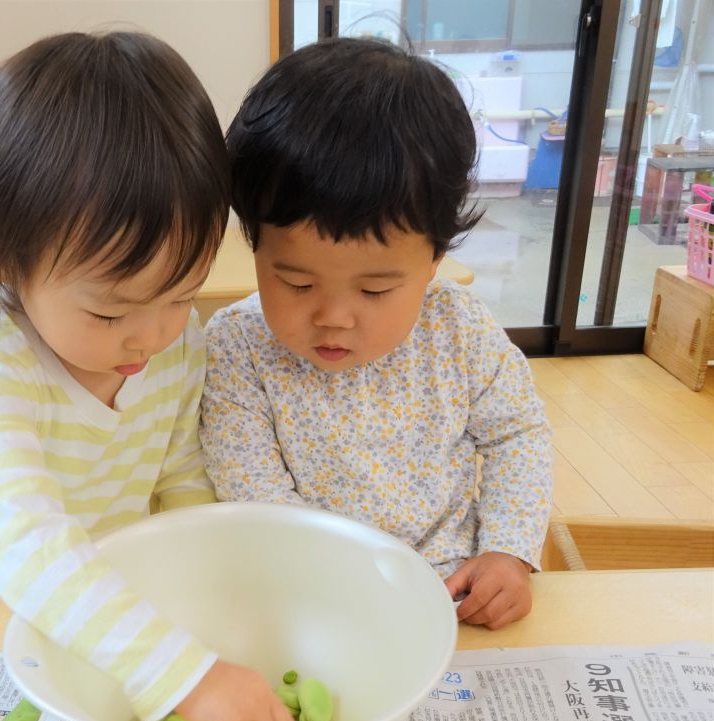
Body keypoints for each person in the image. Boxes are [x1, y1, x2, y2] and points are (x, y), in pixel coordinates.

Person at [0, 32, 296, 721]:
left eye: (181, 293)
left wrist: (209, 611)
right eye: (110, 312)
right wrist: (183, 675)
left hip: (94, 574)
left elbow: (181, 478)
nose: (150, 336)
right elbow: (27, 545)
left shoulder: (177, 343)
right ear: (1, 251)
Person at [201, 38, 553, 630]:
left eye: (375, 291)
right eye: (295, 281)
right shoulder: (237, 348)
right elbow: (258, 498)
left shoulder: (459, 328)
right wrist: (360, 589)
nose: (334, 317)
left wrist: (508, 551)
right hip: (317, 598)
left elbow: (516, 435)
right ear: (255, 243)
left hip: (455, 594)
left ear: (435, 257)